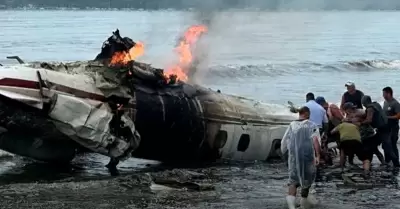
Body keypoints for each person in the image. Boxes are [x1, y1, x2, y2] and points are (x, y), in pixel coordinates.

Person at [281, 106, 321, 209]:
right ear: (307, 113)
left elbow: (284, 142)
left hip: (294, 157)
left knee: (293, 182)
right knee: (307, 181)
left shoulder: (292, 124)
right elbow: (316, 141)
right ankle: (303, 205)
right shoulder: (312, 125)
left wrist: (284, 153)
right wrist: (318, 156)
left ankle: (291, 207)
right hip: (307, 157)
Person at [361, 95, 399, 167]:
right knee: (375, 145)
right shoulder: (376, 104)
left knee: (387, 147)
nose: (363, 105)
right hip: (386, 128)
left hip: (383, 130)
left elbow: (369, 120)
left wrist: (360, 123)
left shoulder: (370, 108)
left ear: (365, 102)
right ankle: (385, 162)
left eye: (363, 104)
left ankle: (396, 164)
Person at [382, 87, 400, 167]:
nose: (383, 95)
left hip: (394, 127)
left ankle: (396, 163)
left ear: (388, 93)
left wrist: (387, 117)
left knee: (392, 144)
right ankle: (387, 161)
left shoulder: (395, 103)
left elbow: (398, 116)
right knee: (385, 144)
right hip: (386, 127)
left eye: (384, 93)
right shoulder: (385, 102)